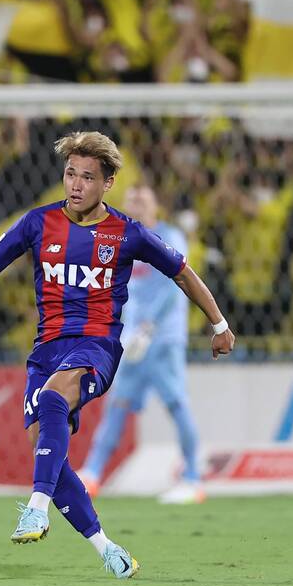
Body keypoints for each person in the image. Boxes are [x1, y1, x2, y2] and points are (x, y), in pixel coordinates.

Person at [0, 131, 235, 579]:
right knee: (47, 451)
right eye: (70, 174)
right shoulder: (38, 223)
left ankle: (36, 507)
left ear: (107, 183)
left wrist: (218, 325)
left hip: (96, 346)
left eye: (87, 177)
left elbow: (183, 273)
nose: (76, 184)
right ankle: (108, 550)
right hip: (46, 350)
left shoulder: (127, 233)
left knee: (53, 401)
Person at [77, 185, 205, 505]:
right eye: (132, 201)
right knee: (117, 405)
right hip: (132, 342)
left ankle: (193, 478)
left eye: (143, 201)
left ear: (155, 206)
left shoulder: (169, 237)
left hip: (162, 339)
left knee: (176, 403)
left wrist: (149, 327)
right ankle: (92, 474)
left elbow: (177, 285)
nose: (137, 206)